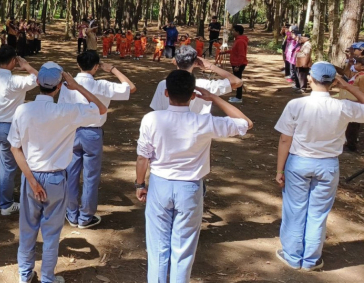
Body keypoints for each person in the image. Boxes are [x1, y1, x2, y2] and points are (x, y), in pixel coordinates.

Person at [135, 70, 252, 283]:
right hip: (190, 188)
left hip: (159, 185)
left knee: (157, 246)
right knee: (183, 247)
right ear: (193, 95)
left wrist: (140, 183)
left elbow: (143, 158)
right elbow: (245, 123)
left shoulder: (151, 119)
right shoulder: (204, 121)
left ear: (166, 93)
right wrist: (214, 98)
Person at [8, 62, 107, 283]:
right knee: (51, 233)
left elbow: (15, 147)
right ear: (60, 86)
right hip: (55, 178)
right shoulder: (67, 112)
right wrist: (77, 87)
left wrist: (32, 181)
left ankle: (25, 275)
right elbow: (100, 109)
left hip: (30, 175)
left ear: (37, 83)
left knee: (27, 230)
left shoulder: (23, 110)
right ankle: (47, 278)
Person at [274, 62, 364, 271]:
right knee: (318, 212)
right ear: (334, 82)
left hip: (298, 162)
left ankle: (292, 255)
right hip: (328, 165)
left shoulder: (296, 105)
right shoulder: (343, 106)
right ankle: (311, 259)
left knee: (295, 209)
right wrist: (349, 87)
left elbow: (285, 140)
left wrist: (280, 170)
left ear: (311, 79)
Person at [58, 51, 136, 230]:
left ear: (78, 65)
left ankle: (71, 213)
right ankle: (85, 217)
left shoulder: (66, 85)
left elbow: (61, 108)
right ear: (96, 67)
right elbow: (131, 88)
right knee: (91, 176)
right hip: (92, 133)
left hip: (71, 131)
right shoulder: (103, 85)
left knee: (71, 173)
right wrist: (112, 69)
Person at [0, 46, 38, 216]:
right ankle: (6, 204)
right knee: (8, 166)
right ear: (13, 61)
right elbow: (40, 78)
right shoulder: (17, 81)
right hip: (9, 127)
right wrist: (26, 65)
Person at [150, 45, 243, 114]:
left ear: (175, 61)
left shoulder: (163, 84)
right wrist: (211, 66)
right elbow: (237, 82)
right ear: (195, 62)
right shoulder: (204, 86)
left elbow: (156, 110)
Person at [342, 57, 364, 151]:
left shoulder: (362, 77)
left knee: (353, 125)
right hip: (352, 101)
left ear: (362, 66)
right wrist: (349, 64)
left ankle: (352, 145)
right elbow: (346, 75)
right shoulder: (358, 74)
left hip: (357, 103)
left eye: (357, 64)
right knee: (350, 123)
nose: (355, 65)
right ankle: (350, 142)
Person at [222, 24, 248, 103]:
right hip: (236, 63)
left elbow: (241, 54)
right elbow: (234, 51)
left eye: (233, 30)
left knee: (237, 80)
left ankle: (239, 97)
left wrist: (238, 65)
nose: (232, 32)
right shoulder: (237, 40)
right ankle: (238, 96)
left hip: (238, 64)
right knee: (237, 79)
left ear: (237, 32)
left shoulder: (240, 41)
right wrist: (225, 52)